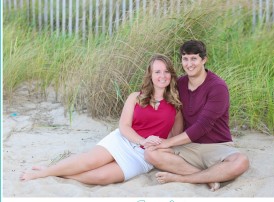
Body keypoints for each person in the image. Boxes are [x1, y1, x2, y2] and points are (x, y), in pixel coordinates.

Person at [20, 54, 183, 185]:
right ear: (150, 75)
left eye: (166, 71)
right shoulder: (136, 97)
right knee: (89, 161)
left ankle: (62, 174)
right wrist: (143, 140)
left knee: (101, 177)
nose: (162, 76)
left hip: (143, 155)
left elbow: (176, 137)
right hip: (124, 140)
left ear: (171, 75)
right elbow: (124, 126)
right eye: (157, 71)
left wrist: (163, 147)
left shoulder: (175, 106)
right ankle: (45, 172)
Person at [144, 40, 250, 191]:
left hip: (216, 146)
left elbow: (202, 126)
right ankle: (206, 177)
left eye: (194, 58)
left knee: (241, 161)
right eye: (185, 59)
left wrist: (168, 142)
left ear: (204, 60)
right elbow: (159, 100)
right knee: (150, 153)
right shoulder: (179, 84)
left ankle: (181, 177)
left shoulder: (217, 87)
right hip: (188, 147)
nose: (189, 64)